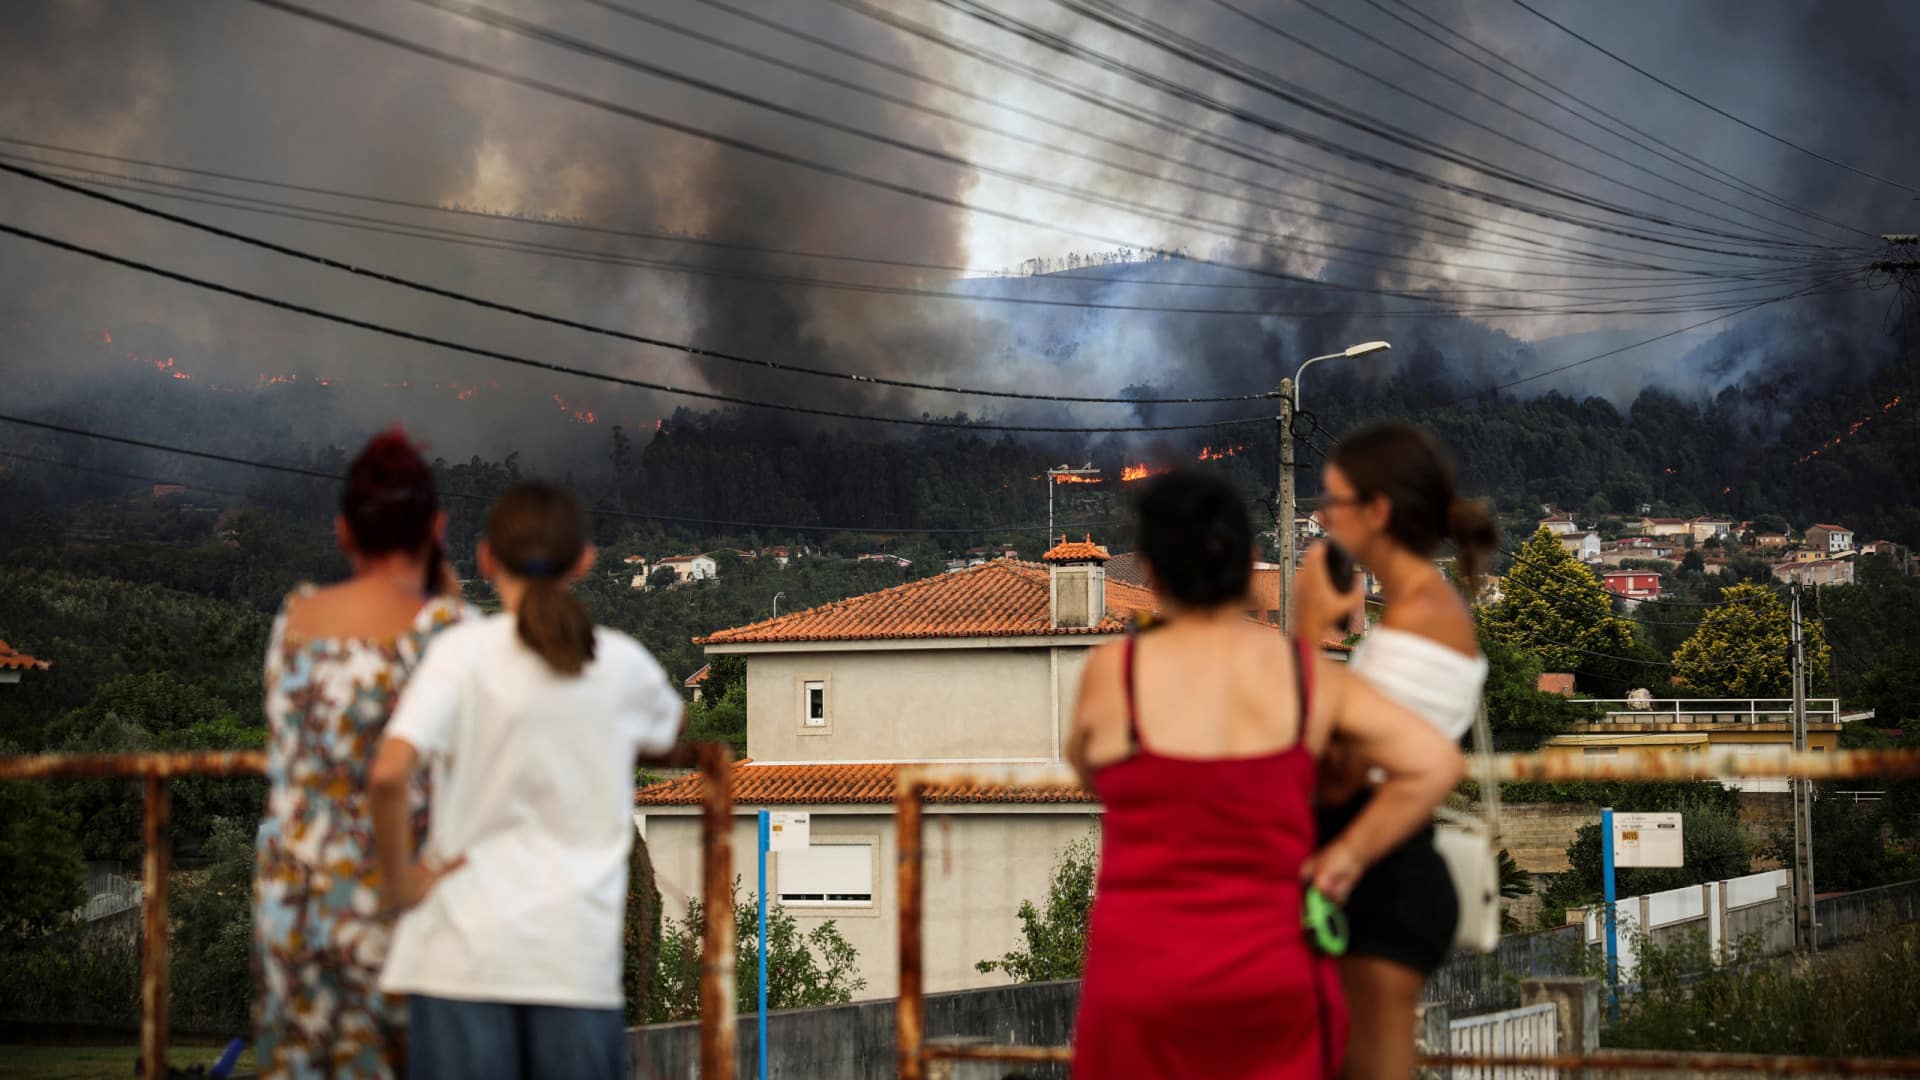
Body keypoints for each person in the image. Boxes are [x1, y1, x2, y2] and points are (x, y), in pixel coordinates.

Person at [1066, 469, 1465, 1080]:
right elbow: (1435, 761)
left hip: (1140, 983)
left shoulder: (1112, 673)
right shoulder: (1307, 680)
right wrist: (1346, 859)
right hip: (1271, 979)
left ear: (1148, 567)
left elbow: (1089, 768)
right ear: (1251, 560)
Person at [369, 481, 684, 1080]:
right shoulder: (620, 663)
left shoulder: (460, 655)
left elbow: (388, 774)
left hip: (456, 958)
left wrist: (403, 885)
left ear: (486, 558)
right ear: (586, 560)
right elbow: (670, 732)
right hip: (572, 963)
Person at [253, 429, 468, 1079]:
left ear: (344, 533)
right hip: (390, 895)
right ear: (436, 528)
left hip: (292, 893)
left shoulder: (292, 621)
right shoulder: (446, 633)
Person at [1293, 422, 1497, 1080]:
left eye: (1333, 503)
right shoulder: (1419, 608)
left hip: (1381, 883)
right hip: (1380, 878)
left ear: (1377, 512)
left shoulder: (1418, 621)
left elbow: (1344, 768)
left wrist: (1304, 636)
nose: (1322, 520)